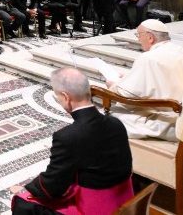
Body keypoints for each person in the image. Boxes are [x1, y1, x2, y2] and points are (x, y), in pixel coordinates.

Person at [12, 68, 133, 214]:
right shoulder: (116, 123)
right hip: (125, 200)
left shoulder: (68, 137)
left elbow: (52, 186)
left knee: (22, 202)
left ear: (66, 97)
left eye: (58, 98)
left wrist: (29, 188)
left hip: (97, 208)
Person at [107, 19, 183, 140]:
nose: (138, 39)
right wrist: (129, 77)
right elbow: (161, 81)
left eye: (139, 35)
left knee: (115, 116)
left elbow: (126, 94)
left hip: (171, 121)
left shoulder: (148, 58)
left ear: (150, 37)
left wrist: (113, 85)